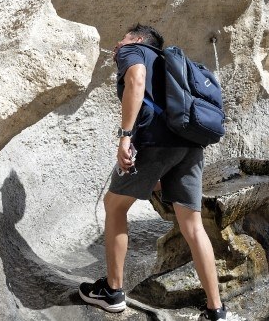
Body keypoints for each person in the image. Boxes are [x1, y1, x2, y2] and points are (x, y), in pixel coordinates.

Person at [79, 24, 226, 320]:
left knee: (114, 205)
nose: (117, 44)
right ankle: (216, 309)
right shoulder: (171, 65)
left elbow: (135, 80)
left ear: (136, 39)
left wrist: (125, 135)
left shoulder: (133, 51)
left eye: (121, 38)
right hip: (189, 145)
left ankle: (113, 291)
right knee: (193, 226)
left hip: (155, 143)